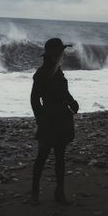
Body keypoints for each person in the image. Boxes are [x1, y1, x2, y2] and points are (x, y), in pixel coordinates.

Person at [30, 38, 79, 205]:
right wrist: (41, 120)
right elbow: (34, 100)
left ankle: (59, 193)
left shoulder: (57, 71)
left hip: (62, 119)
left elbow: (64, 92)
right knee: (43, 157)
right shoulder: (42, 74)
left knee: (59, 157)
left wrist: (73, 102)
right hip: (50, 120)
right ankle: (34, 193)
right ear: (55, 55)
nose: (63, 54)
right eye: (61, 52)